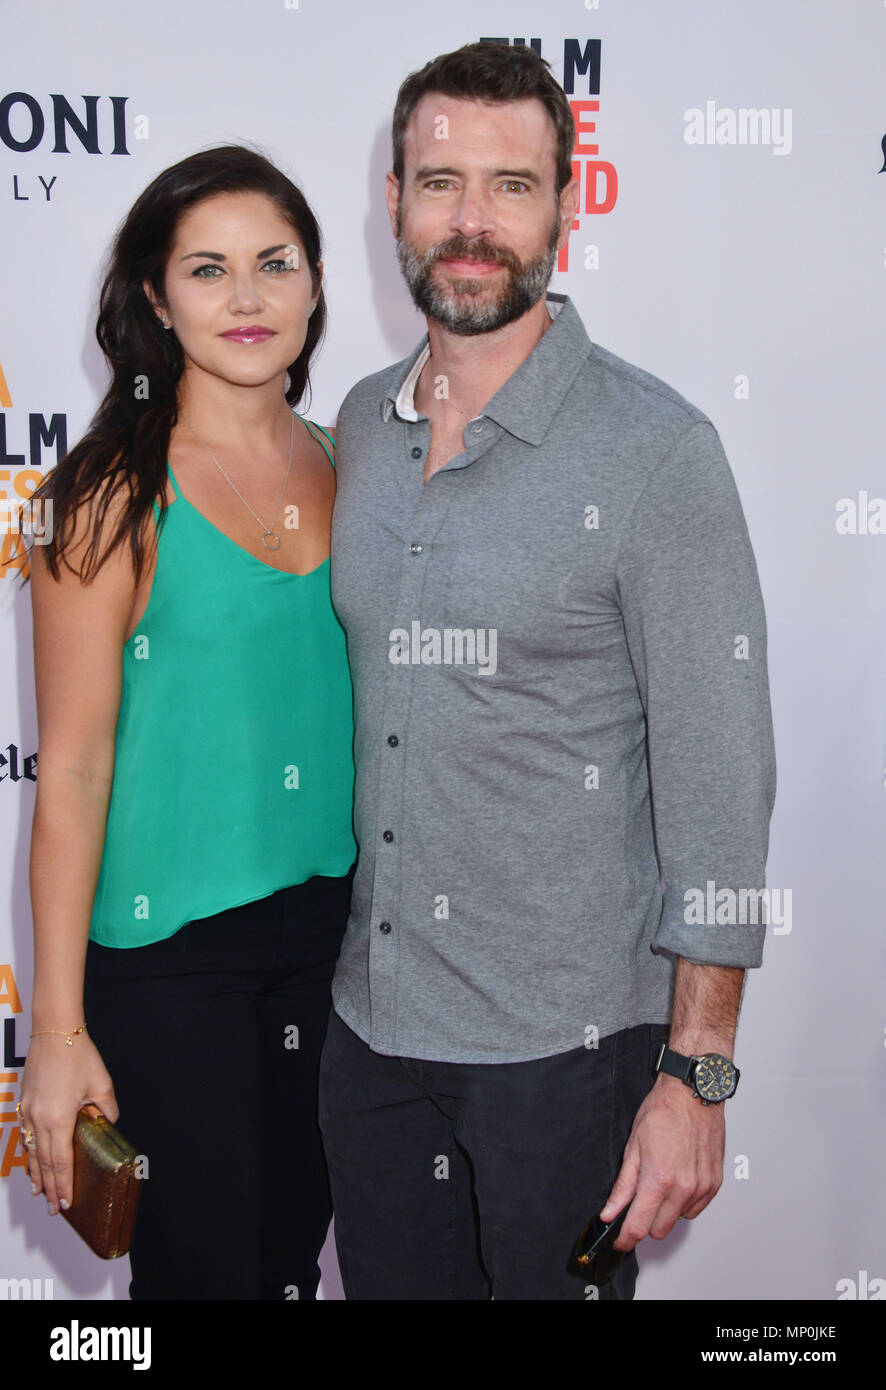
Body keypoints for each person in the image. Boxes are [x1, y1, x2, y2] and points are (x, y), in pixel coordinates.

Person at [319, 42, 777, 1300]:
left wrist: (696, 1078)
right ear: (394, 205)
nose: (470, 222)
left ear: (566, 212)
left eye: (510, 185)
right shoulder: (357, 424)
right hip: (370, 1041)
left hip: (564, 1063)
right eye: (439, 182)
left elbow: (719, 785)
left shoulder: (656, 452)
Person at [17, 145, 357, 1300]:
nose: (249, 298)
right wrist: (55, 1034)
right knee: (200, 1281)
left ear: (317, 284)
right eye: (208, 271)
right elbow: (68, 772)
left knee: (286, 1269)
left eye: (276, 264)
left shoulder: (353, 466)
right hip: (168, 965)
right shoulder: (108, 495)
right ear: (157, 299)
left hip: (332, 947)